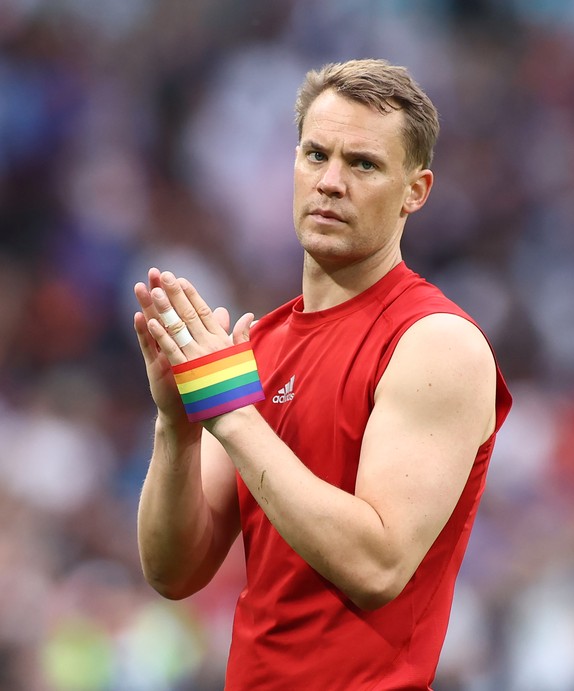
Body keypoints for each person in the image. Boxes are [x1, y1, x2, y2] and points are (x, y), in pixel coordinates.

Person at [133, 58, 512, 690]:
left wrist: (226, 408)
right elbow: (174, 573)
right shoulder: (265, 347)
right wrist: (178, 424)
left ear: (415, 192)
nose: (331, 182)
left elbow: (376, 564)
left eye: (362, 164)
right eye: (315, 155)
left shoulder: (435, 342)